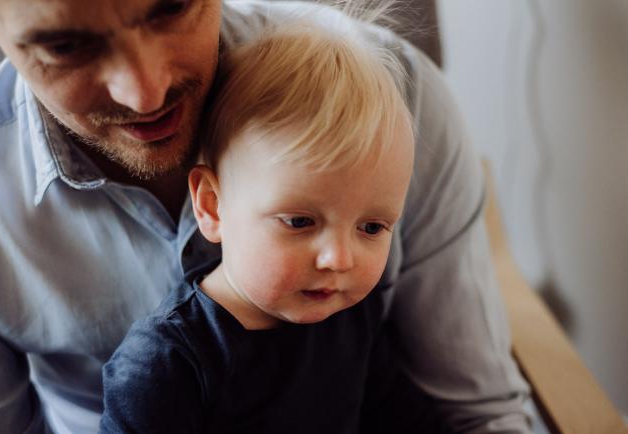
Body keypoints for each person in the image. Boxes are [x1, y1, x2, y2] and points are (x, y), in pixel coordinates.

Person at [0, 0, 531, 433]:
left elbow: (453, 414)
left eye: (172, 7)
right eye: (66, 44)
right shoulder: (163, 369)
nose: (146, 95)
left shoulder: (396, 99)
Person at [100, 22, 416, 433]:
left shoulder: (353, 317)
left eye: (372, 227)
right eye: (300, 221)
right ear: (212, 206)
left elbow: (403, 417)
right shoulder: (164, 366)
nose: (339, 258)